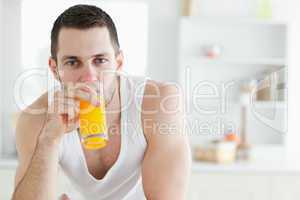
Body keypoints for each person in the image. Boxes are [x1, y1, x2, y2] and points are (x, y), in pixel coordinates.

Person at [12, 4, 191, 200]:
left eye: (100, 60)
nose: (89, 77)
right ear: (55, 69)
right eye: (72, 62)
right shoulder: (35, 119)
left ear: (119, 63)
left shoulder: (159, 102)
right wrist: (49, 140)